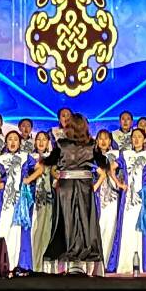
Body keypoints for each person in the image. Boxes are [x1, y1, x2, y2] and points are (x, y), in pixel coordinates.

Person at [40, 112, 107, 274]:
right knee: (85, 220)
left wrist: (42, 158)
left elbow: (49, 161)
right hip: (84, 187)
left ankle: (65, 252)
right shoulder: (91, 144)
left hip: (66, 187)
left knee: (66, 220)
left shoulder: (61, 144)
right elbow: (103, 163)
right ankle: (87, 253)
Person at [113, 128, 146, 274]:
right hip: (128, 199)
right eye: (134, 137)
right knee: (127, 227)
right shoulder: (125, 155)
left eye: (139, 136)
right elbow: (111, 169)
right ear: (131, 139)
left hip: (142, 198)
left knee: (141, 229)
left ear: (144, 139)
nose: (137, 139)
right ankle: (125, 262)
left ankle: (143, 263)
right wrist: (120, 184)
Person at [0, 131, 33, 272]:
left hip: (20, 200)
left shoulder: (25, 156)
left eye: (15, 140)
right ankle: (2, 264)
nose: (13, 142)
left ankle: (18, 264)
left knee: (18, 230)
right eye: (10, 139)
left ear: (20, 142)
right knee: (3, 226)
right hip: (5, 199)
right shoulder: (1, 158)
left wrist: (28, 180)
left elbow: (39, 168)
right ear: (6, 142)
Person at [93, 129, 125, 274]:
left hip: (113, 196)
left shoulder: (117, 155)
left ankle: (108, 261)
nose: (103, 141)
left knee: (111, 227)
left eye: (106, 138)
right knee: (99, 226)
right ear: (96, 141)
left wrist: (119, 183)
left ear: (111, 141)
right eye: (100, 138)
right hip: (98, 195)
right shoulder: (93, 156)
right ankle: (97, 261)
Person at [24, 132, 57, 272]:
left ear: (48, 142)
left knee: (46, 230)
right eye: (38, 139)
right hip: (32, 198)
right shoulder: (29, 157)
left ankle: (43, 265)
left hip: (47, 197)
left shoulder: (52, 158)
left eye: (44, 139)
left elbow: (55, 173)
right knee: (33, 229)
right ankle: (32, 263)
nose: (41, 142)